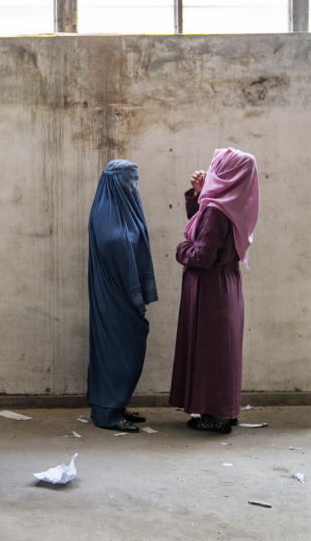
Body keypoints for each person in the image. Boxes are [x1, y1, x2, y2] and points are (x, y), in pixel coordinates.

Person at [170, 149, 259, 434]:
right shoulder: (233, 204)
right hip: (226, 286)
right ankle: (222, 410)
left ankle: (216, 416)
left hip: (209, 289)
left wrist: (181, 249)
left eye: (216, 166)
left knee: (211, 352)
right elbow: (205, 228)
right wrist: (199, 195)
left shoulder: (217, 210)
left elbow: (201, 254)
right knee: (222, 351)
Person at [87, 160, 158, 432]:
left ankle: (117, 404)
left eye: (135, 180)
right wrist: (133, 293)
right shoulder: (106, 214)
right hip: (114, 297)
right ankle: (107, 413)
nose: (133, 186)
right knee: (115, 351)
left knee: (126, 351)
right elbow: (117, 245)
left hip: (124, 296)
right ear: (115, 182)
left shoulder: (124, 210)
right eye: (128, 181)